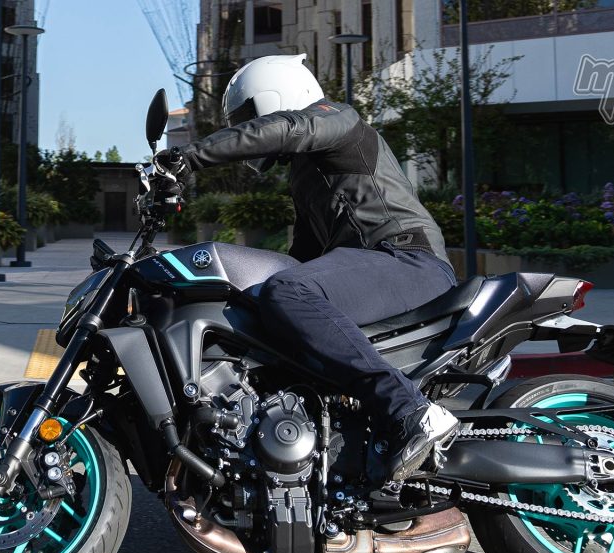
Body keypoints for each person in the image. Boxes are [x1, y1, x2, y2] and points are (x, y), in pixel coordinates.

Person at [156, 54, 459, 483]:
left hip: (409, 259)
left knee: (287, 292)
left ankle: (411, 410)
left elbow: (288, 127)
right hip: (374, 264)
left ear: (274, 96)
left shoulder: (338, 119)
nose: (247, 127)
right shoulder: (306, 173)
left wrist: (190, 156)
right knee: (265, 296)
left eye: (247, 117)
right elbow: (301, 258)